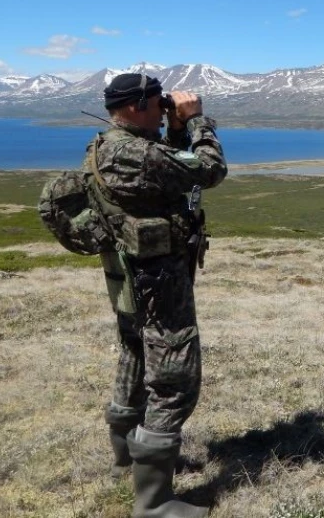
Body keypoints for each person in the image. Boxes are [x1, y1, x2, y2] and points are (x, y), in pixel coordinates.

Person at [88, 73, 226, 517]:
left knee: (135, 353)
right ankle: (154, 503)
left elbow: (169, 165)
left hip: (131, 278)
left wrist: (176, 127)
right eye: (155, 103)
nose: (162, 108)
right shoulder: (135, 153)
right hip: (160, 283)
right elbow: (208, 169)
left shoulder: (109, 145)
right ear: (134, 107)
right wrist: (199, 122)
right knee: (174, 380)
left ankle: (127, 458)